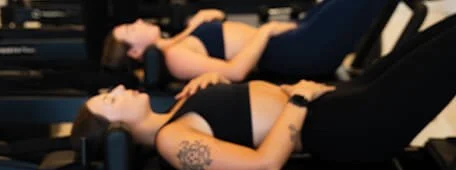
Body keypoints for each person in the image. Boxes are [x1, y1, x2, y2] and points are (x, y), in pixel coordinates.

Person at [74, 14, 456, 170]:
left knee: (444, 33)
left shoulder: (177, 110)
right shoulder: (172, 142)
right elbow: (264, 163)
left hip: (341, 101)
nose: (120, 88)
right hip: (352, 126)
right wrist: (297, 101)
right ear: (117, 128)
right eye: (110, 100)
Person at [102, 0, 394, 81]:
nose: (138, 21)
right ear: (137, 52)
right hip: (296, 53)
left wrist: (207, 16)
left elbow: (221, 30)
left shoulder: (177, 40)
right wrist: (265, 32)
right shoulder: (175, 58)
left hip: (292, 39)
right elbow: (235, 72)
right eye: (130, 29)